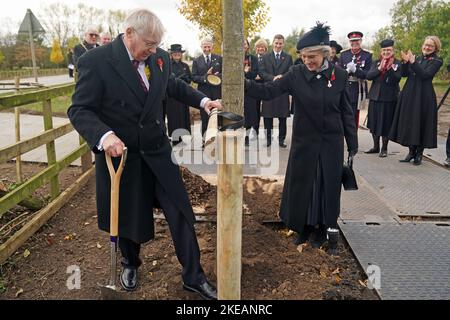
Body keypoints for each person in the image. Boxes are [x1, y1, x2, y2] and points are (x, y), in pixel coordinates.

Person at [67, 9, 221, 300]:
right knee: (127, 217)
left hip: (157, 150)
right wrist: (104, 135)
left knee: (180, 210)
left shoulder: (158, 58)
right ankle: (131, 263)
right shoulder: (95, 62)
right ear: (129, 34)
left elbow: (172, 85)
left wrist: (203, 100)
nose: (153, 50)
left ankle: (193, 275)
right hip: (122, 155)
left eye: (155, 45)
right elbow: (79, 109)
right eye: (149, 44)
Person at [245, 23, 358, 255]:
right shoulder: (296, 75)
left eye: (312, 56)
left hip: (330, 143)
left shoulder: (340, 76)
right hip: (304, 142)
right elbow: (268, 91)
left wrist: (352, 143)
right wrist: (242, 83)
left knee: (326, 187)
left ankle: (322, 229)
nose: (308, 61)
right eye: (304, 56)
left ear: (325, 54)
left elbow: (347, 111)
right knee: (303, 186)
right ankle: (303, 229)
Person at [390, 36, 443, 165]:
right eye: (425, 45)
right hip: (409, 94)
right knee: (408, 121)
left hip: (424, 96)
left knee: (421, 122)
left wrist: (413, 63)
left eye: (430, 45)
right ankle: (411, 152)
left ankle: (419, 153)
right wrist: (405, 62)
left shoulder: (436, 60)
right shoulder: (417, 58)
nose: (427, 47)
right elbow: (404, 74)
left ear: (435, 48)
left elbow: (425, 75)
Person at [365, 39, 402, 157]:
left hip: (389, 98)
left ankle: (384, 148)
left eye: (389, 50)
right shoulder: (376, 62)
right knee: (374, 123)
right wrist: (379, 69)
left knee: (386, 123)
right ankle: (375, 147)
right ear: (381, 51)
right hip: (375, 96)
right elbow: (369, 76)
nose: (386, 52)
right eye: (384, 50)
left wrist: (389, 69)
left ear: (393, 50)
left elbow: (397, 78)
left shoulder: (397, 63)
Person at [258, 34, 293, 148]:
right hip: (269, 88)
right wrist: (273, 78)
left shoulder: (288, 57)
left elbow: (290, 72)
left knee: (282, 117)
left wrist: (282, 77)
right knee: (268, 117)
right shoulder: (265, 57)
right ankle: (268, 139)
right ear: (272, 43)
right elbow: (262, 73)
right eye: (276, 43)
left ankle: (281, 140)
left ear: (283, 44)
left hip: (282, 90)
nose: (278, 45)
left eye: (280, 43)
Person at [339, 31, 372, 129]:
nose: (354, 43)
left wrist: (356, 70)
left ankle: (353, 140)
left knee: (353, 117)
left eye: (357, 40)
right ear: (350, 42)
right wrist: (346, 71)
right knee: (342, 115)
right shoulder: (344, 54)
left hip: (358, 89)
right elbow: (339, 71)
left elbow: (368, 74)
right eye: (352, 41)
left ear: (361, 41)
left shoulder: (367, 55)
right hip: (345, 87)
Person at [192, 38, 222, 139]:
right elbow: (194, 77)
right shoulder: (196, 61)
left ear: (212, 47)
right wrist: (206, 77)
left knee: (217, 116)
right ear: (201, 47)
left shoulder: (219, 58)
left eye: (209, 46)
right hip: (203, 93)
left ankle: (217, 139)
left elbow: (223, 73)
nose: (207, 49)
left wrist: (217, 76)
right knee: (205, 118)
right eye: (205, 47)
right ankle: (205, 140)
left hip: (216, 92)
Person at [166, 44, 192, 145]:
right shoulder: (168, 65)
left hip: (183, 96)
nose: (177, 54)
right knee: (173, 117)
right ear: (171, 54)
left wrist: (185, 80)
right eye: (175, 53)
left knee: (183, 117)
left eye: (179, 53)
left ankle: (181, 137)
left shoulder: (185, 66)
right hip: (172, 97)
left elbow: (190, 79)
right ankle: (175, 139)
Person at [243, 39, 259, 146]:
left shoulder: (252, 58)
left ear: (248, 46)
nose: (243, 45)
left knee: (250, 113)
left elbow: (254, 74)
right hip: (237, 89)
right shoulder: (233, 58)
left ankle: (248, 136)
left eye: (245, 44)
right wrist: (244, 72)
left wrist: (246, 73)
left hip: (249, 88)